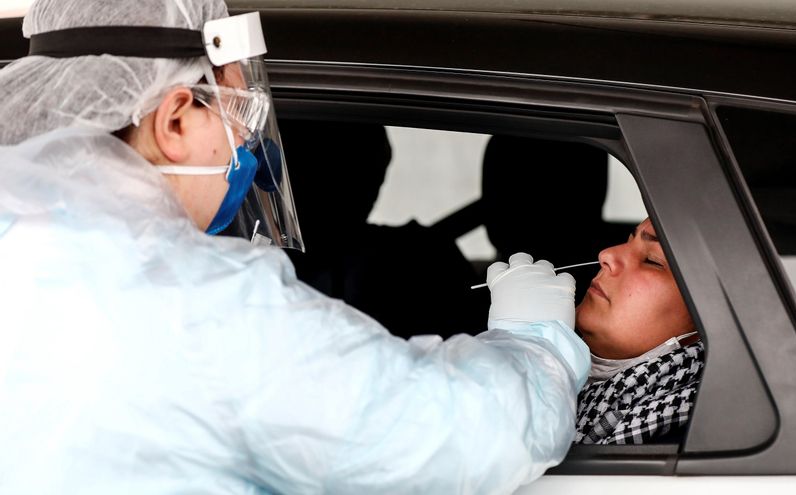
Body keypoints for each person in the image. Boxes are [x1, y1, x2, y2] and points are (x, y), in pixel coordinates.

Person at [0, 1, 590, 494]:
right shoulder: (205, 304)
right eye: (239, 113)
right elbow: (454, 438)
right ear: (176, 120)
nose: (248, 146)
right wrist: (535, 343)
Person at [572, 218, 705, 445]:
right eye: (627, 241)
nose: (606, 255)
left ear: (705, 321)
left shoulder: (683, 433)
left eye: (652, 261)